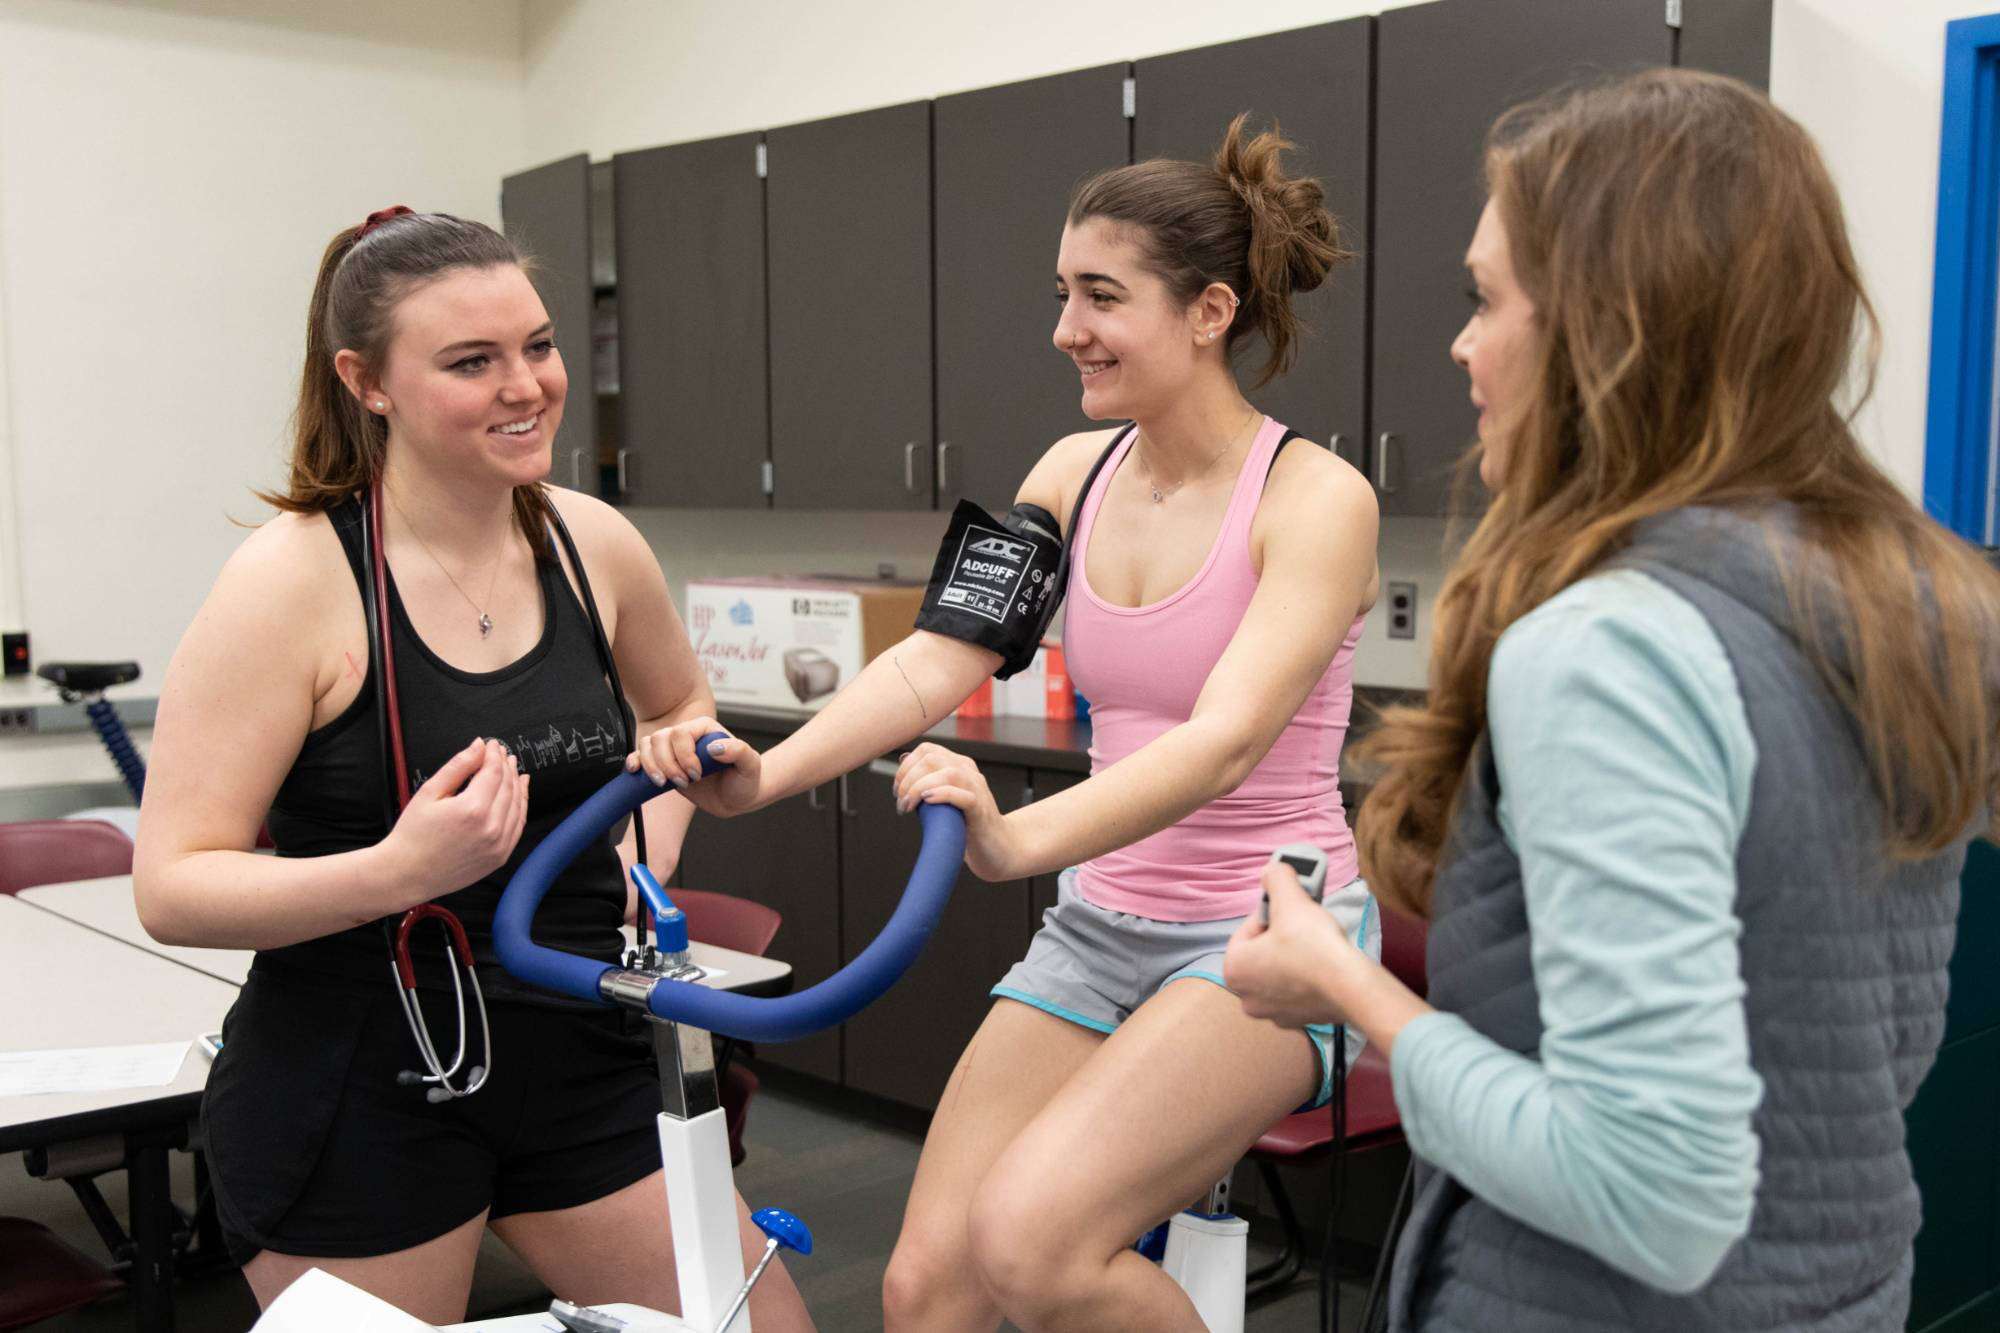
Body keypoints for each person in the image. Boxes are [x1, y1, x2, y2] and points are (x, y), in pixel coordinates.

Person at [1223, 69, 2000, 1331]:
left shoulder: (1608, 650)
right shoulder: (1916, 601)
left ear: (1607, 324)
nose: (1461, 344)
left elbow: (1651, 1191)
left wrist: (1346, 989)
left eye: (1485, 299)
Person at [636, 116, 1381, 1332]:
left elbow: (1225, 740)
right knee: (925, 1288)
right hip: (1099, 932)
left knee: (1035, 1248)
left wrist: (1015, 840)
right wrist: (761, 776)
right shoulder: (1067, 476)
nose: (1063, 329)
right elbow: (934, 661)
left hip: (1264, 939)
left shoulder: (1315, 497)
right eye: (1059, 293)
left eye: (1099, 295)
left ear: (1205, 311)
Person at [132, 209, 811, 1329]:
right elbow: (175, 884)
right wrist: (399, 868)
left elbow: (677, 714)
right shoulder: (291, 582)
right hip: (363, 1074)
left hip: (576, 1047)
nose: (526, 385)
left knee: (764, 1324)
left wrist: (650, 822)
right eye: (471, 361)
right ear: (368, 380)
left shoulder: (593, 546)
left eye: (537, 347)